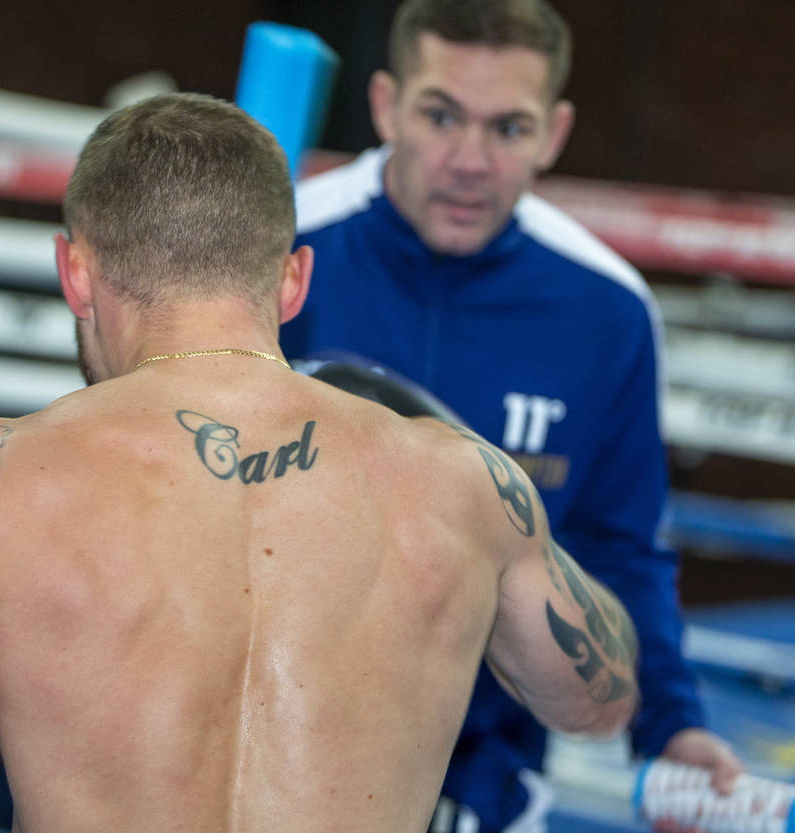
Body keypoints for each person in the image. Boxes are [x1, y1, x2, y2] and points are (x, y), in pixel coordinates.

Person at [0, 92, 639, 833]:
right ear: (294, 281)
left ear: (75, 275)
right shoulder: (463, 481)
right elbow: (599, 699)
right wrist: (494, 497)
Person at [279, 1, 742, 831]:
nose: (469, 161)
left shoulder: (606, 312)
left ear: (554, 133)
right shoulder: (278, 252)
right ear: (385, 105)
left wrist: (670, 727)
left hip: (481, 787)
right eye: (441, 115)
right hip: (257, 754)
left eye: (508, 129)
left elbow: (618, 547)